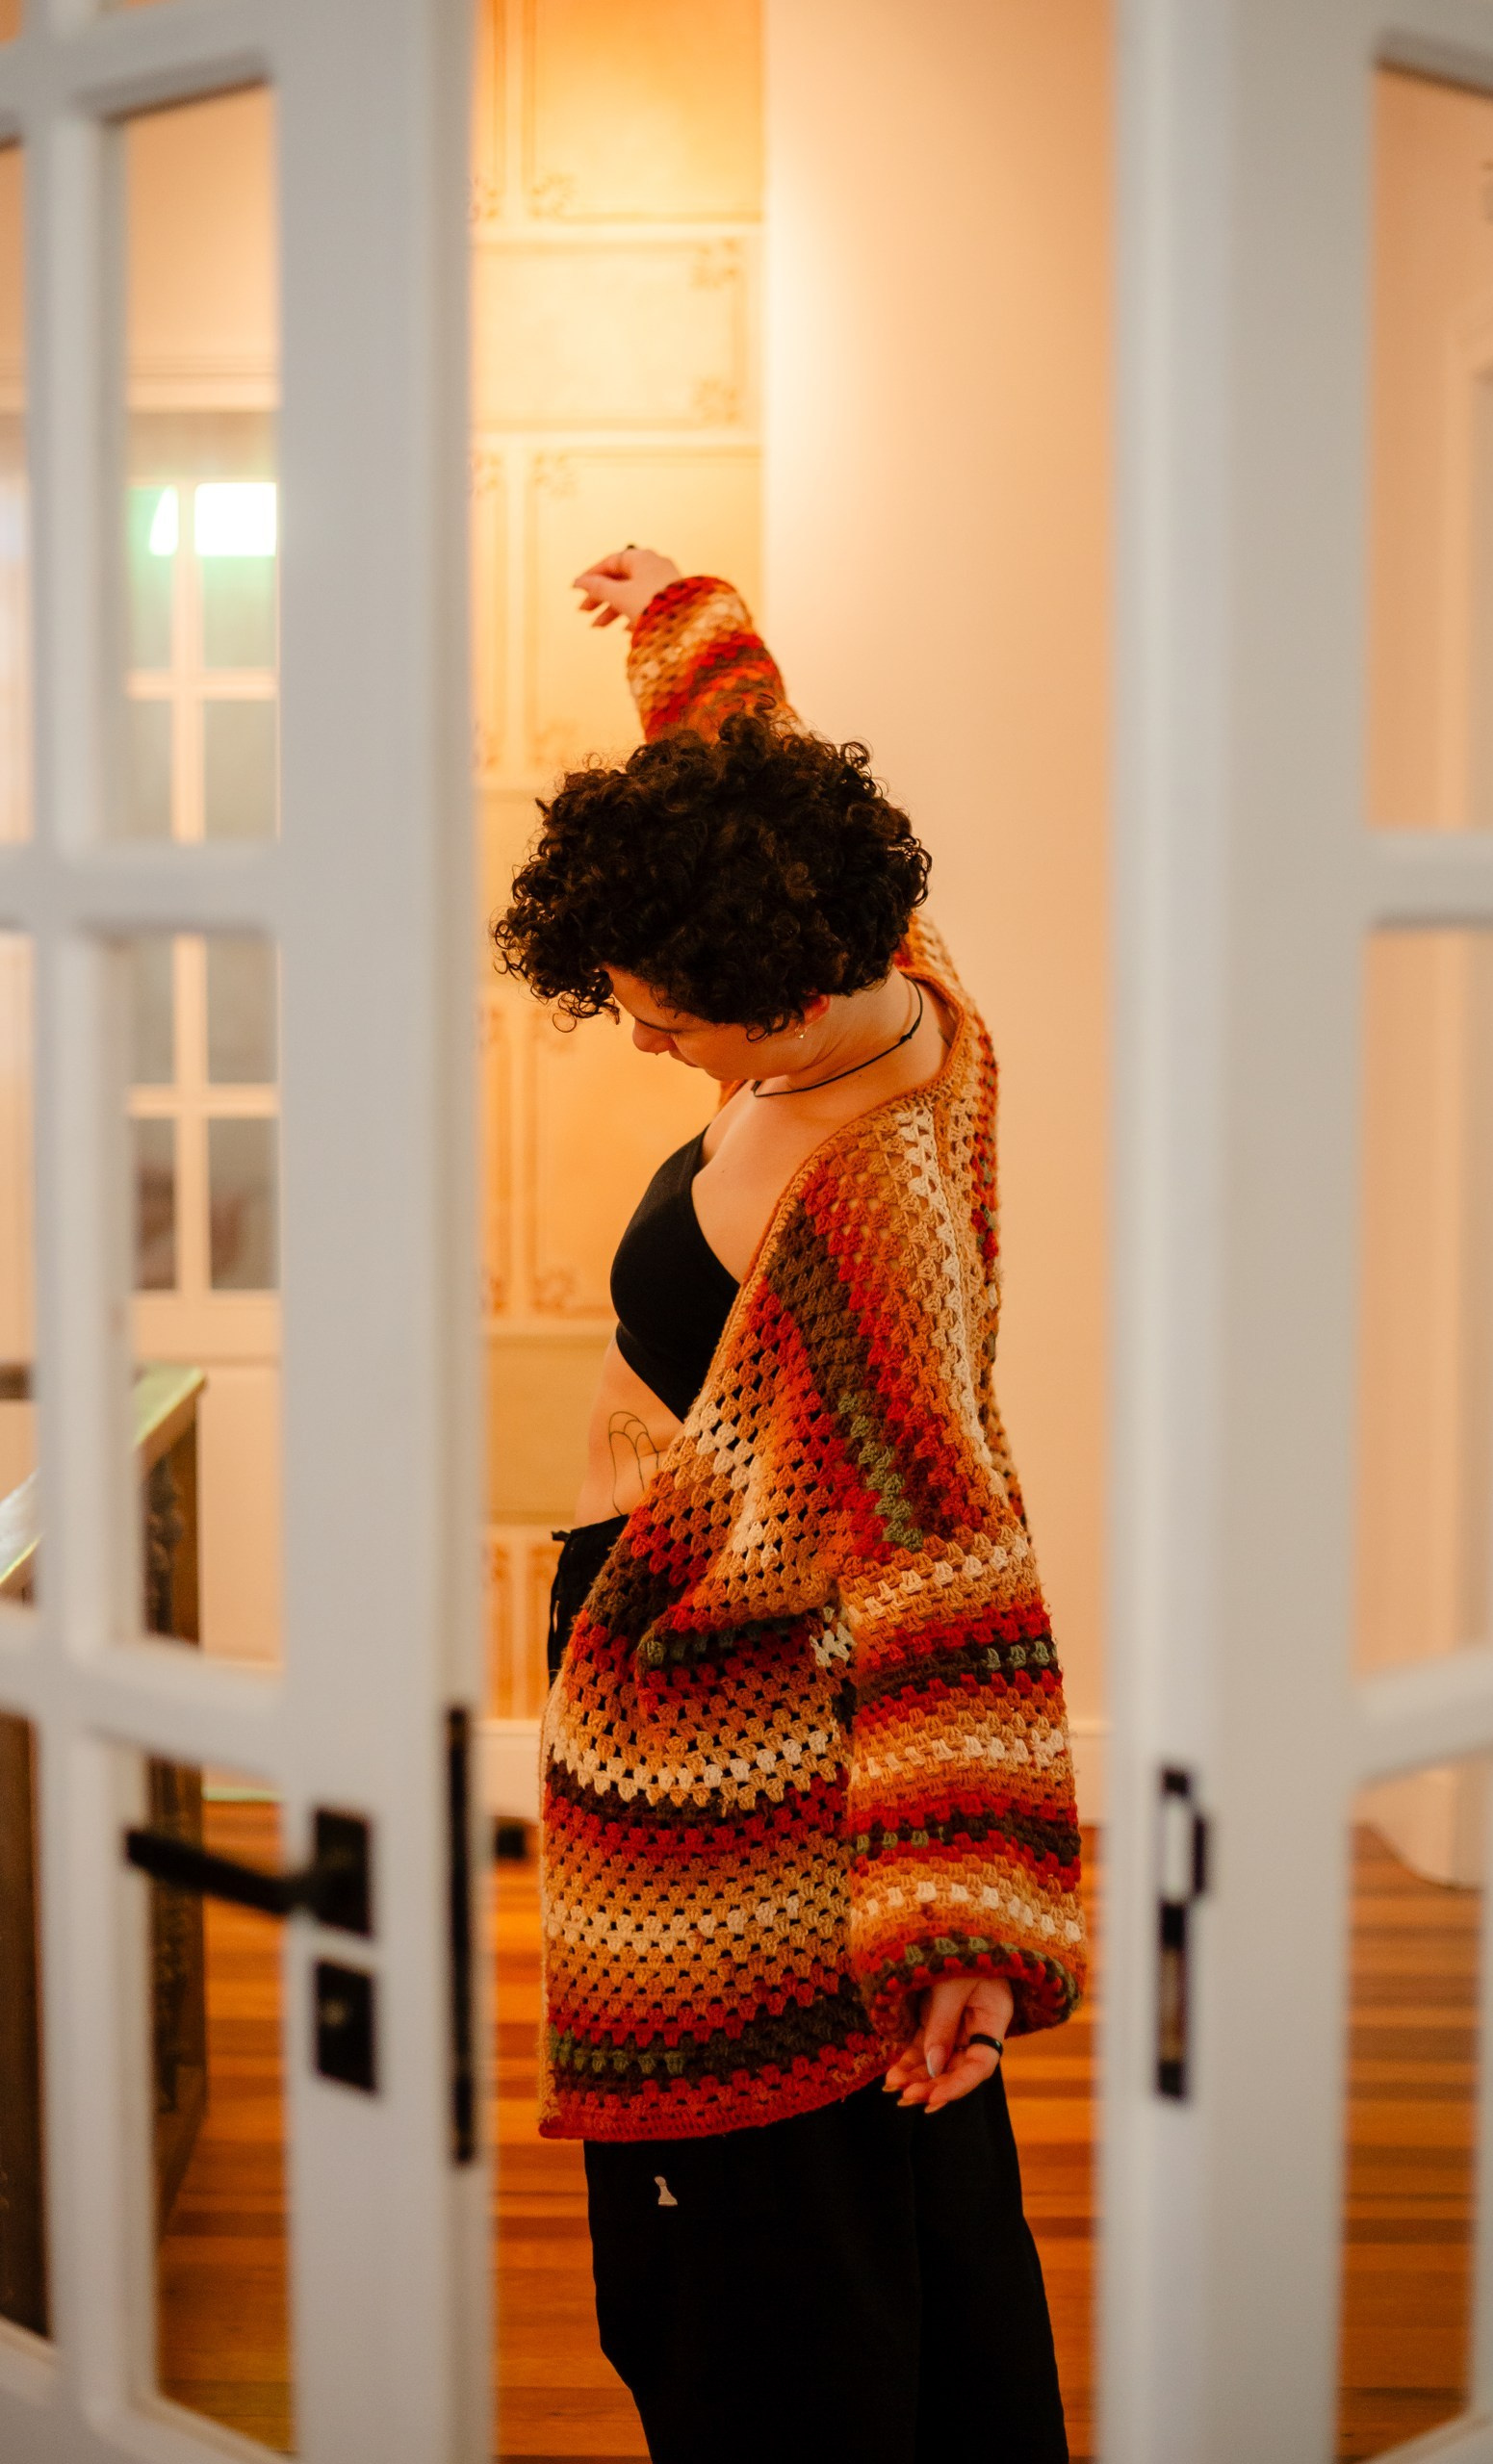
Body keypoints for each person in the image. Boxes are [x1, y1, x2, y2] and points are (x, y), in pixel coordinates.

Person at [493, 548, 1086, 2464]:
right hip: (719, 1693)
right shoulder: (898, 972)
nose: (647, 1043)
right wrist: (683, 614)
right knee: (855, 2209)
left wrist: (964, 1924)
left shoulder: (867, 1209)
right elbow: (752, 760)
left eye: (670, 1025)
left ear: (789, 989)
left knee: (762, 2256)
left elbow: (945, 1560)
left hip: (741, 1756)